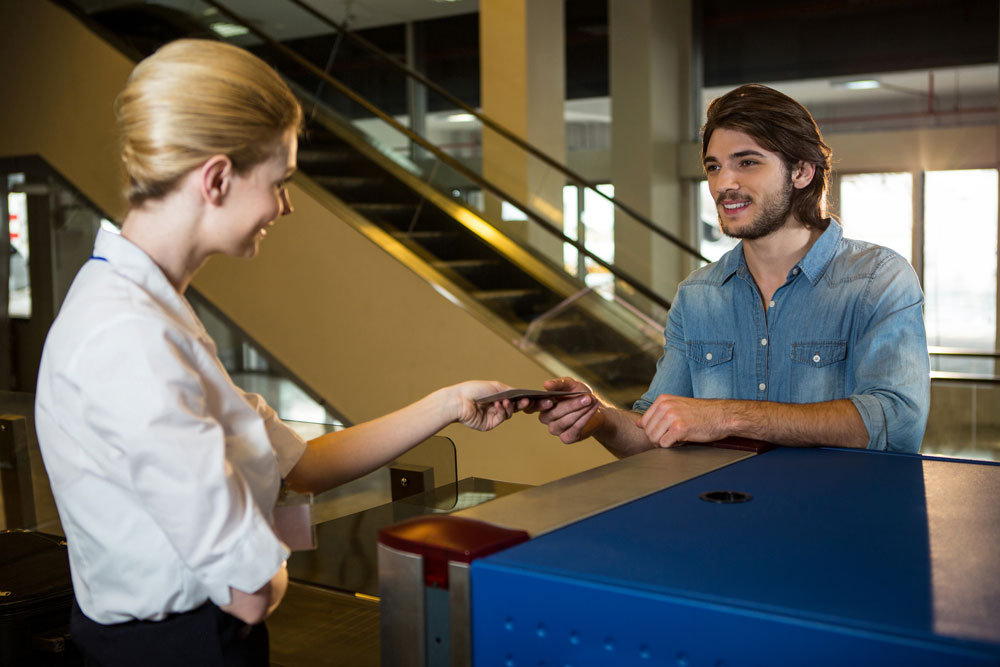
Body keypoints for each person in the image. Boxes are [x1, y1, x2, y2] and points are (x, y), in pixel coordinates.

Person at [33, 39, 518, 667]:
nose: (284, 206)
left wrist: (450, 403)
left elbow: (301, 464)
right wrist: (270, 551)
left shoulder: (145, 308)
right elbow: (249, 591)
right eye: (280, 182)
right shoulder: (130, 338)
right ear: (216, 178)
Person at [529, 84, 930, 457]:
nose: (724, 184)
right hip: (720, 517)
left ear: (802, 172)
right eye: (714, 167)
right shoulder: (697, 293)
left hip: (835, 522)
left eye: (748, 162)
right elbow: (657, 431)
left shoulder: (877, 279)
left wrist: (727, 416)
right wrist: (597, 415)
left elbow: (899, 423)